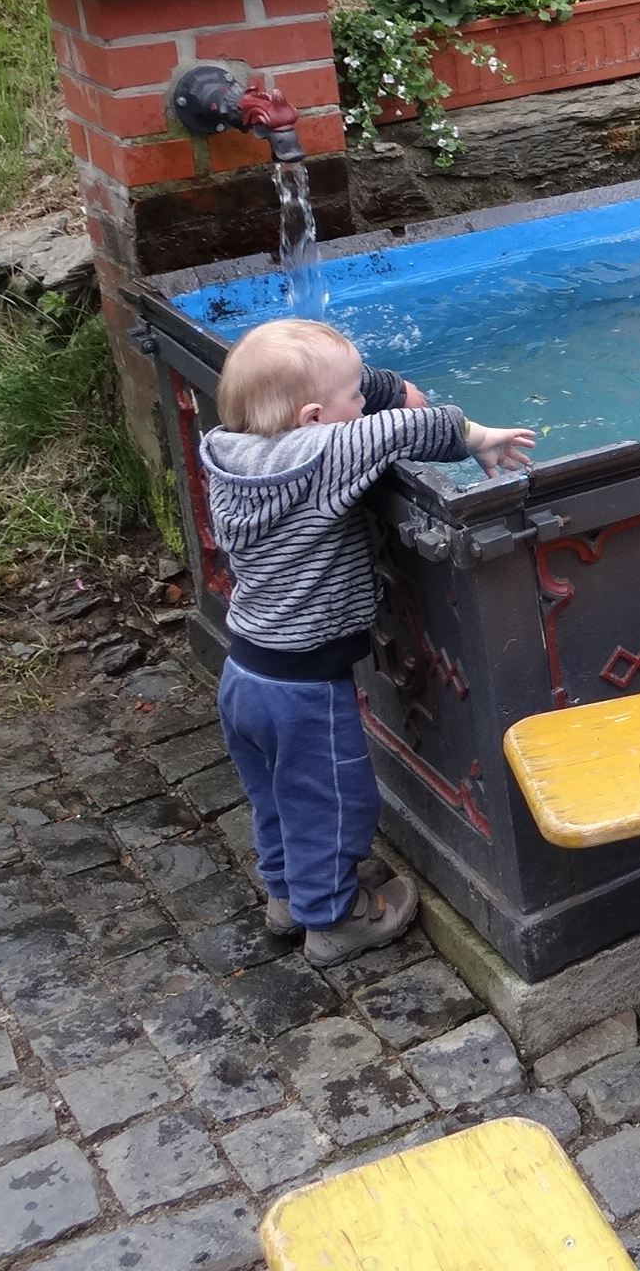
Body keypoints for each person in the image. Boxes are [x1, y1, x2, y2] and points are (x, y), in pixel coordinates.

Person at [202, 319, 535, 967]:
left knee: (277, 796)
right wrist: (477, 435)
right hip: (304, 690)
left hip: (246, 672)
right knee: (333, 801)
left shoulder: (231, 451)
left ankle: (289, 898)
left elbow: (359, 408)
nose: (363, 404)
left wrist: (375, 386)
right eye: (354, 396)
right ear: (313, 418)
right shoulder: (321, 453)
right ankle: (335, 920)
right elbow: (409, 429)